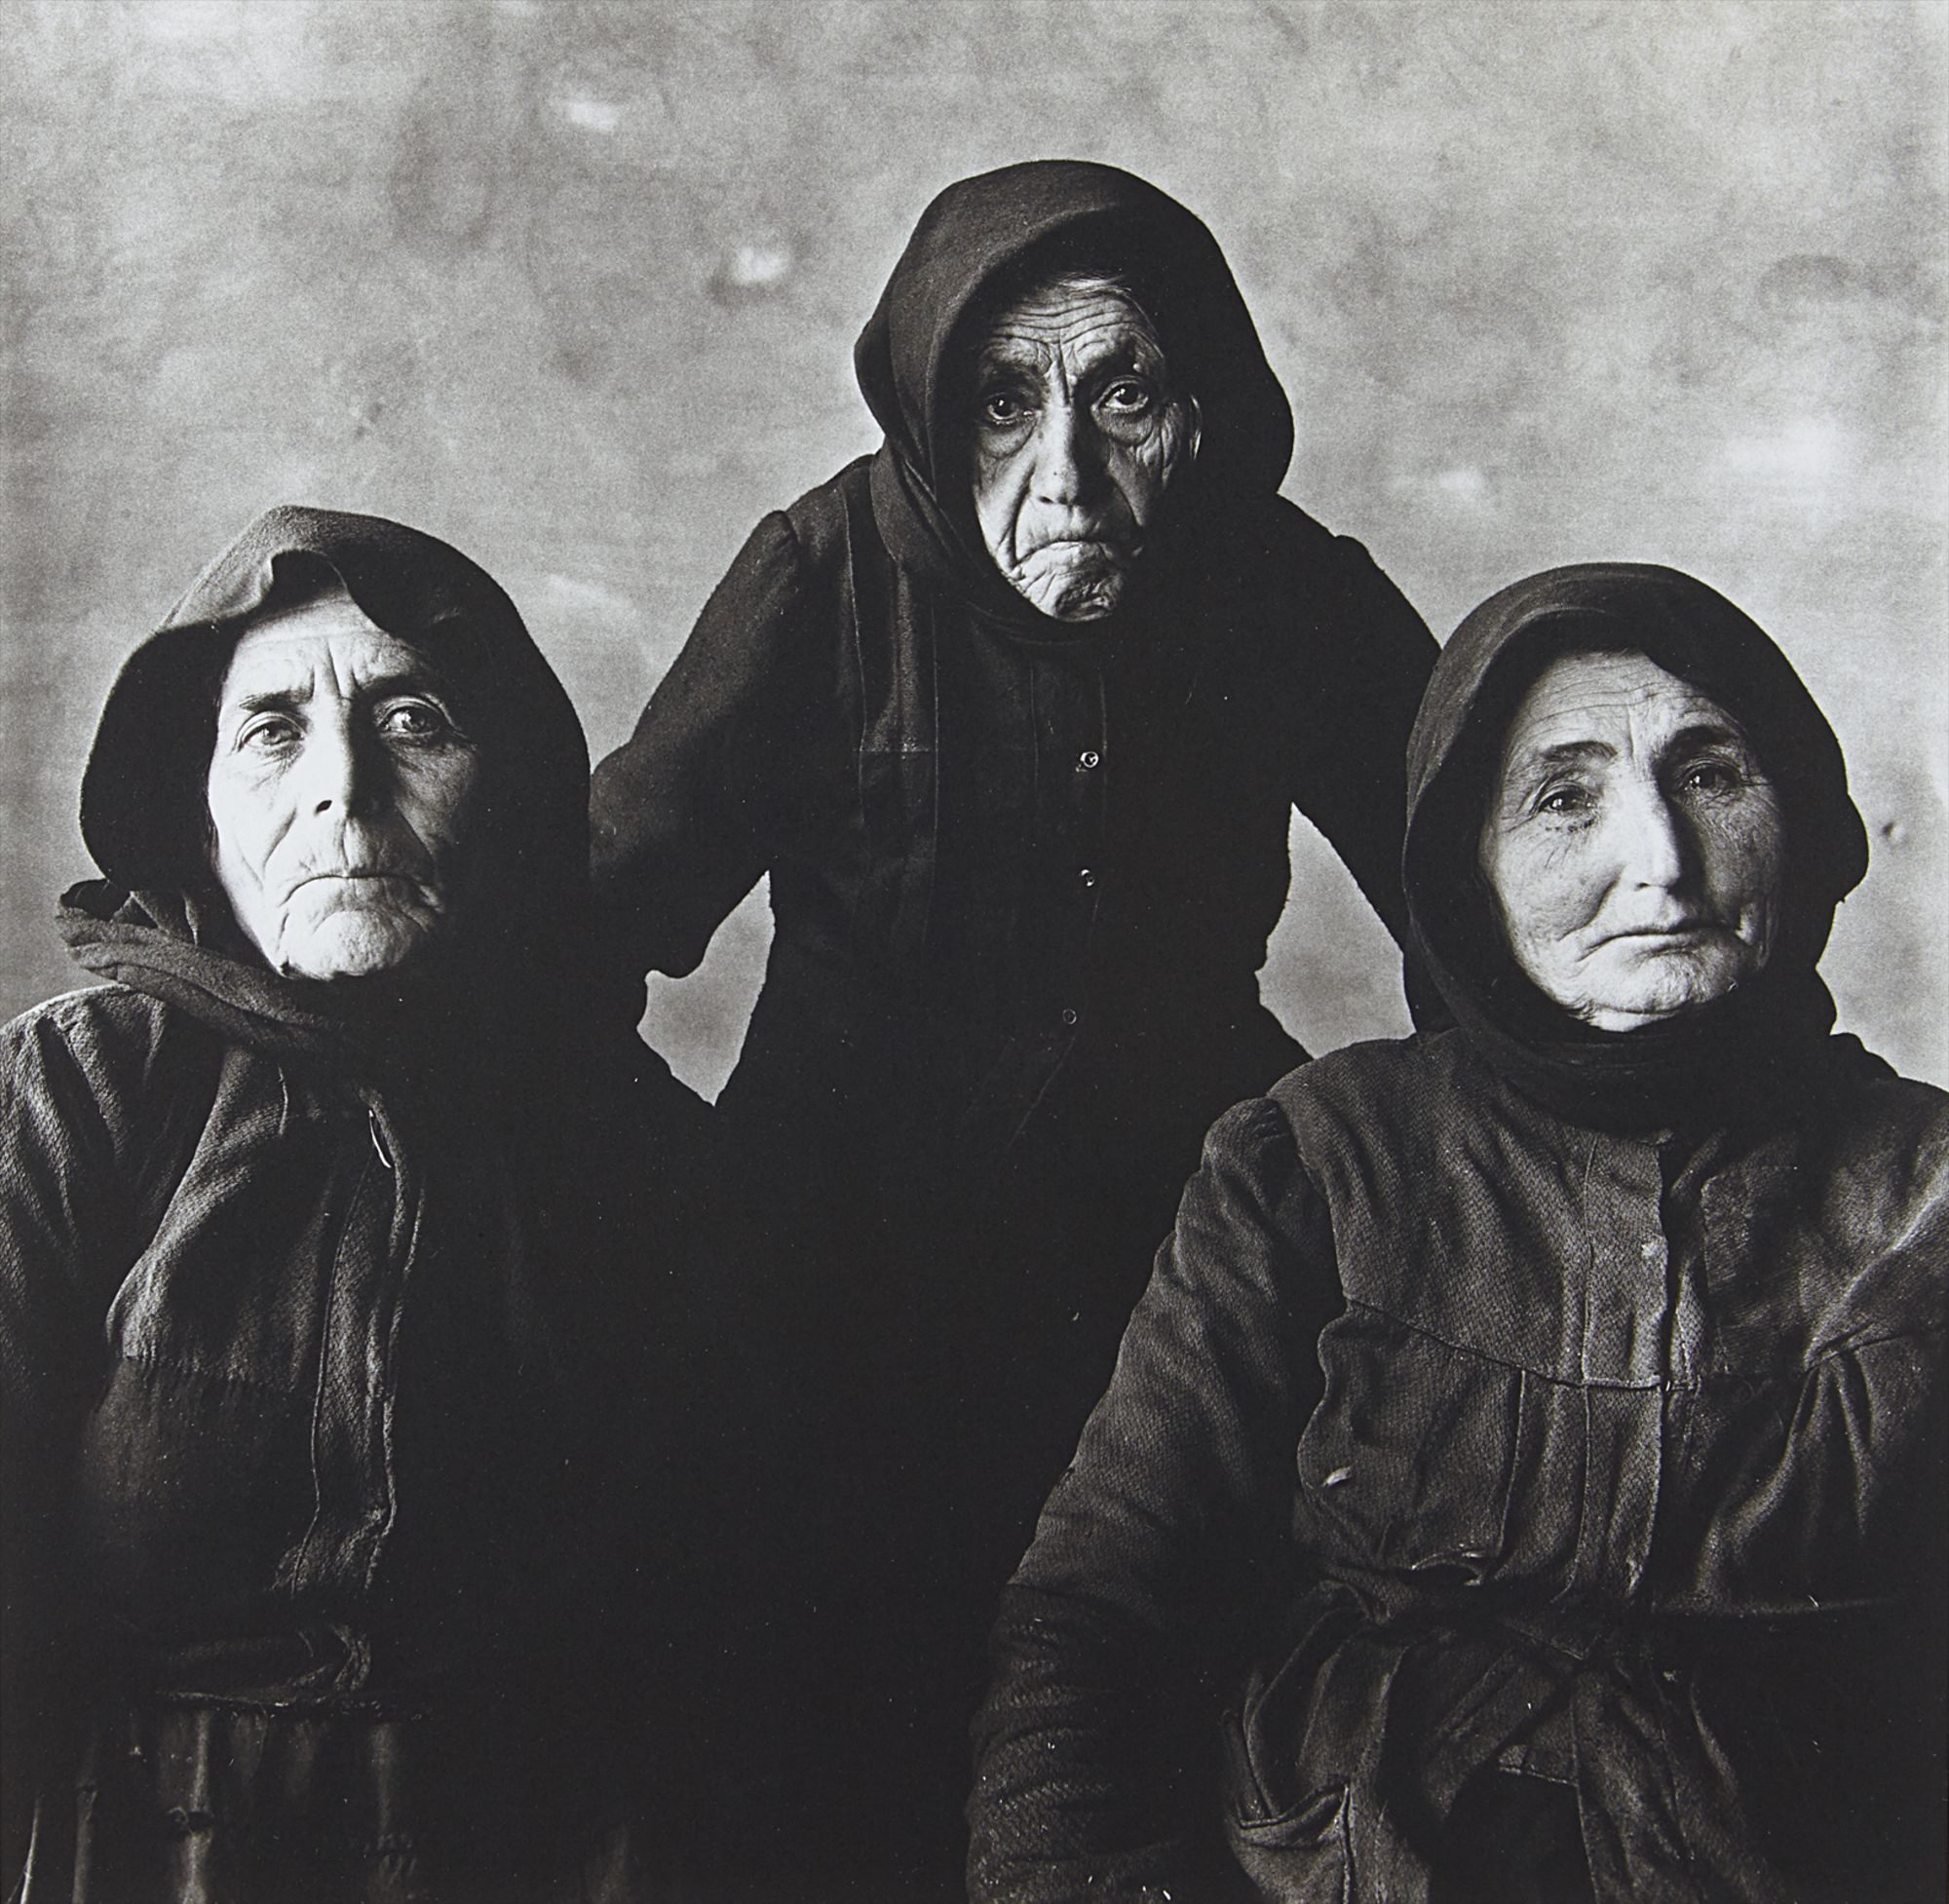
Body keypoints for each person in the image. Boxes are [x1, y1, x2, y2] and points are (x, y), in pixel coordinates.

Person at [589, 160, 1437, 1892]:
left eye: (1122, 391)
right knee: (804, 1749)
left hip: (1175, 1246)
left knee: (1154, 1723)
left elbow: (1483, 895)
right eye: (1002, 404)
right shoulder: (821, 578)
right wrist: (636, 1213)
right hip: (837, 1255)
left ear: (1201, 410)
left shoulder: (1283, 590)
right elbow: (595, 917)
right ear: (929, 409)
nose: (1068, 474)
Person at [969, 564, 1948, 1904]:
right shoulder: (1315, 1157)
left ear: (1804, 815)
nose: (1660, 860)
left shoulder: (1928, 1198)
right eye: (1566, 796)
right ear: (1466, 870)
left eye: (1713, 774)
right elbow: (1096, 1620)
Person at [1, 507, 720, 1903]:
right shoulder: (77, 1099)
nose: (345, 785)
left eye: (413, 722)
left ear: (503, 788)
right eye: (272, 728)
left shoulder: (639, 1154)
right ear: (193, 808)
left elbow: (706, 1669)